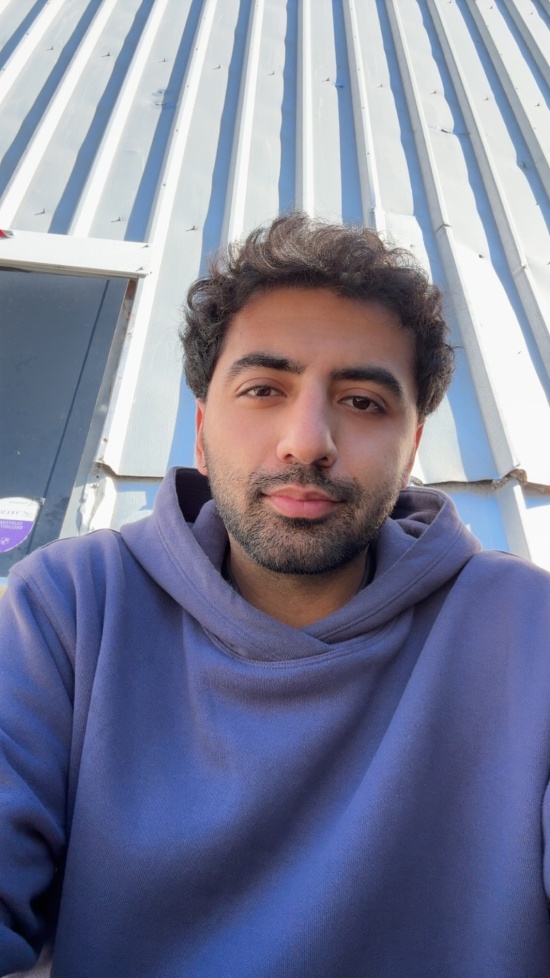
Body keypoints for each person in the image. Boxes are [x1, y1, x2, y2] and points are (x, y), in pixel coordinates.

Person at [0, 213, 549, 978]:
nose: (307, 441)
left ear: (411, 451)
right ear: (201, 431)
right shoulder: (67, 610)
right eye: (264, 389)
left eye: (363, 401)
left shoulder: (528, 631)